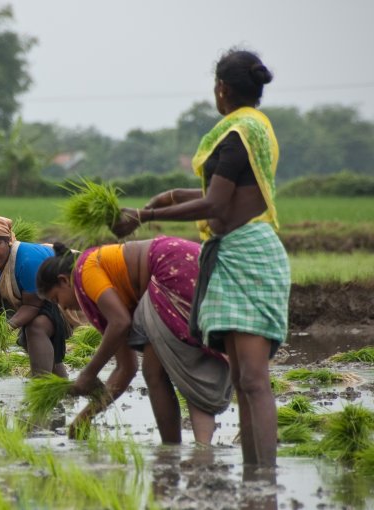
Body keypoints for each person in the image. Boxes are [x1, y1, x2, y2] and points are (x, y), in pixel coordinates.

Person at [110, 49, 289, 467]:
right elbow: (228, 194)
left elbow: (215, 204)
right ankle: (254, 477)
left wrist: (145, 215)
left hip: (247, 258)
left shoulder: (237, 135)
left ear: (221, 88)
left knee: (254, 380)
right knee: (244, 381)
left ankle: (263, 483)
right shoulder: (255, 128)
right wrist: (171, 197)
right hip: (234, 255)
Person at [36, 239, 232, 443]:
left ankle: (184, 448)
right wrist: (85, 417)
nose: (64, 308)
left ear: (63, 281)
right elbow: (126, 368)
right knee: (154, 371)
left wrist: (89, 373)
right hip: (184, 262)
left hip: (173, 266)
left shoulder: (85, 270)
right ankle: (184, 451)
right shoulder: (111, 292)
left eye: (57, 299)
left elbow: (120, 322)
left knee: (172, 368)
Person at [0, 215, 71, 377]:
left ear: (8, 241)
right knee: (35, 340)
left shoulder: (27, 259)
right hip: (41, 301)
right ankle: (56, 388)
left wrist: (7, 327)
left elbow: (33, 305)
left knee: (36, 327)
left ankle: (41, 383)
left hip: (70, 290)